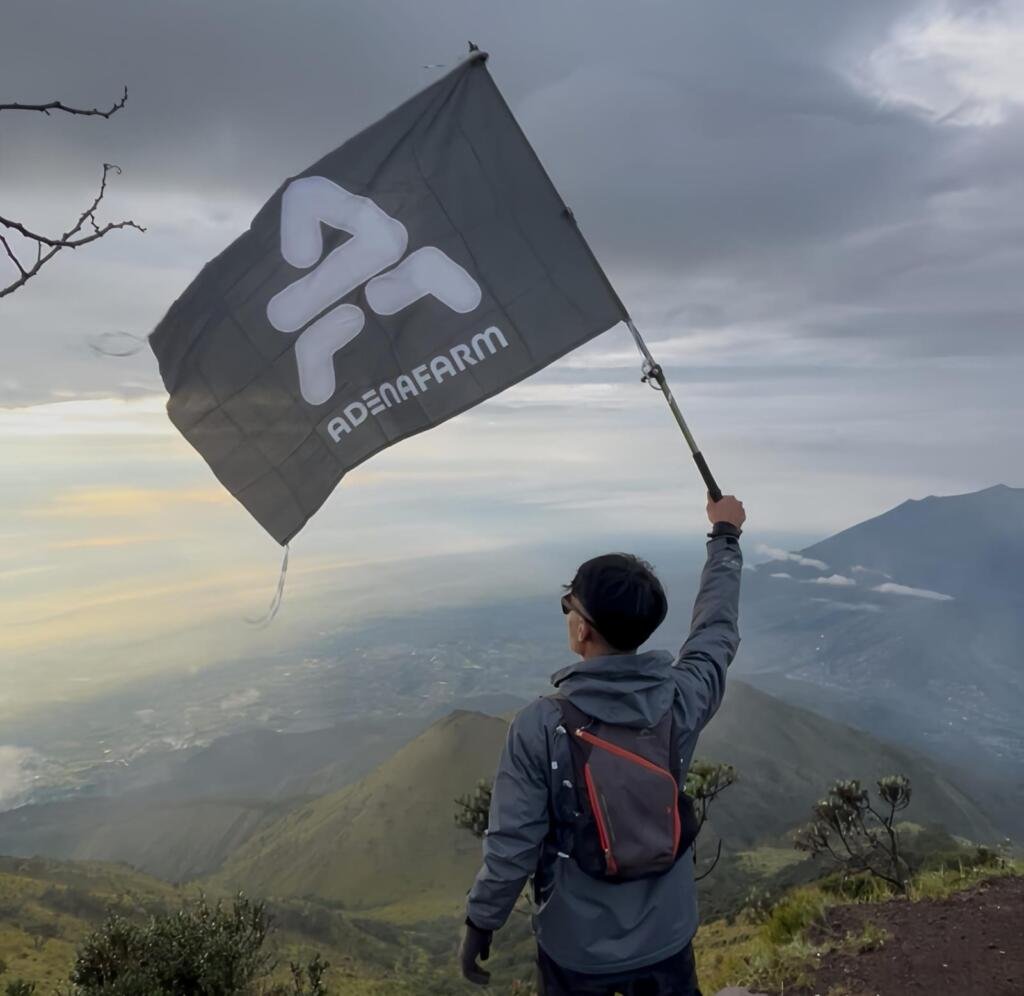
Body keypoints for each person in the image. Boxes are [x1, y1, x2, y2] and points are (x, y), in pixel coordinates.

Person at [460, 494, 745, 996]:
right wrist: (725, 538)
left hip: (577, 951)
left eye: (567, 605)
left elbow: (514, 845)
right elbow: (715, 631)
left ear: (582, 629)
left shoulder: (540, 726)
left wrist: (481, 921)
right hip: (668, 937)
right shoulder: (682, 699)